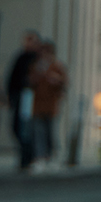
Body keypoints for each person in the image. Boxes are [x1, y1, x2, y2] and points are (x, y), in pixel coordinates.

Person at [26, 39, 68, 167]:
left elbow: (64, 85)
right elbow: (30, 81)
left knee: (49, 132)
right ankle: (40, 156)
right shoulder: (36, 66)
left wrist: (57, 81)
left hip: (51, 105)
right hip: (37, 105)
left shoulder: (57, 67)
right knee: (38, 132)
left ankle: (49, 156)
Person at [5, 29, 42, 170]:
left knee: (27, 128)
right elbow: (12, 77)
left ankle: (28, 156)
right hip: (20, 96)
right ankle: (24, 155)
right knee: (17, 127)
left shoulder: (37, 60)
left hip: (30, 97)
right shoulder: (21, 57)